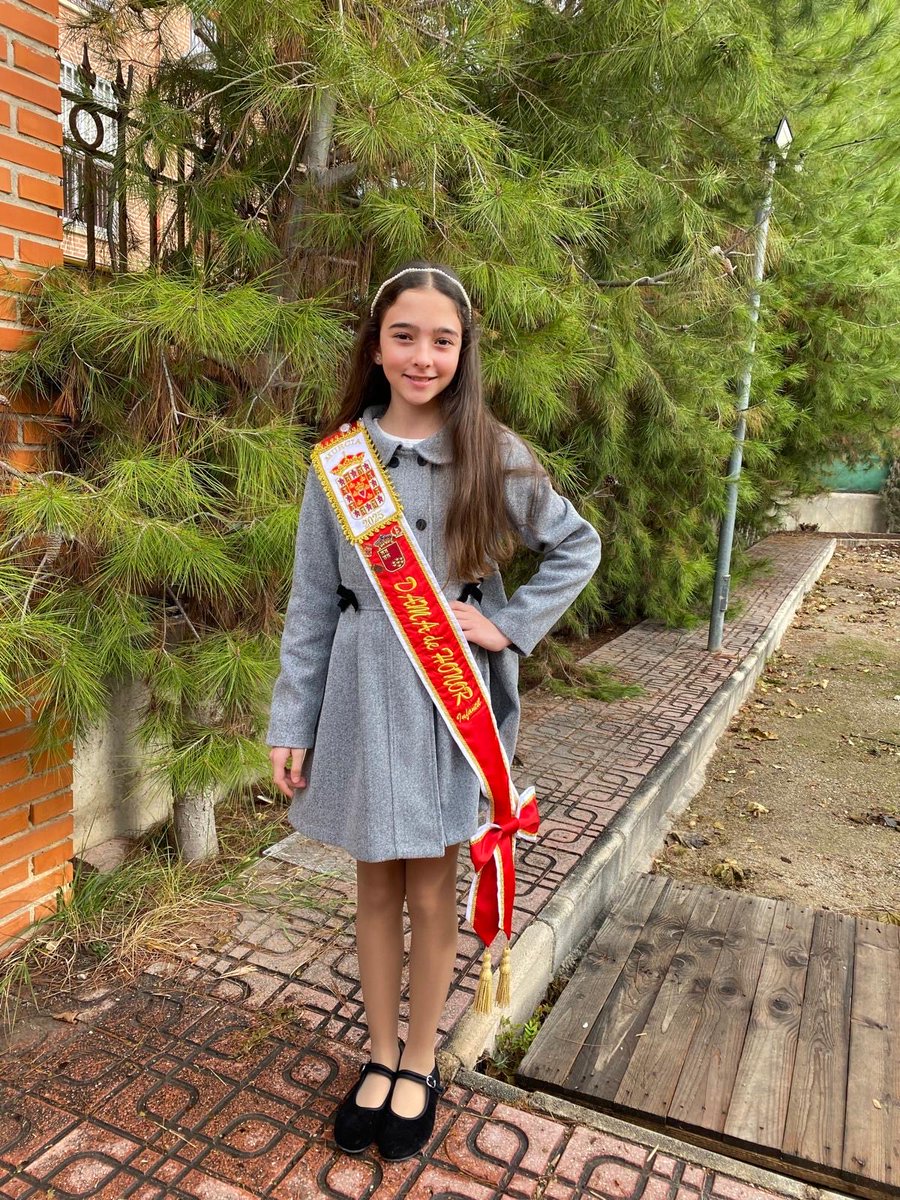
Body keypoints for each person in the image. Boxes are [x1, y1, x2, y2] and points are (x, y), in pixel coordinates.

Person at [266, 261, 601, 1162]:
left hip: (447, 705)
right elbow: (307, 602)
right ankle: (377, 1056)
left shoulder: (491, 451)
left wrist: (502, 624)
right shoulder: (341, 463)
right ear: (376, 346)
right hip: (362, 700)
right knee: (375, 882)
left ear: (464, 350)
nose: (423, 355)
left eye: (442, 340)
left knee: (431, 888)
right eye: (404, 336)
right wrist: (291, 721)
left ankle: (419, 1065)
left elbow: (578, 544)